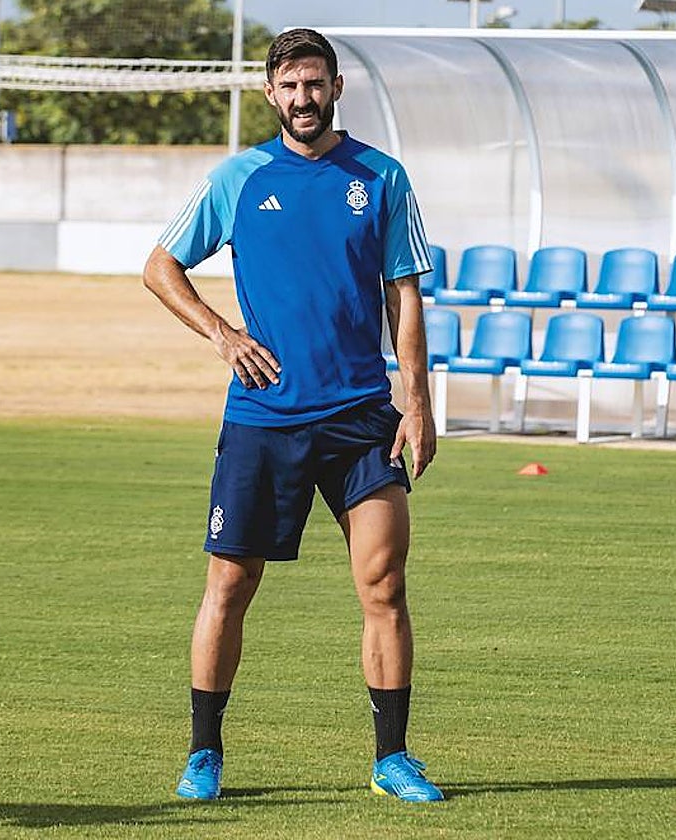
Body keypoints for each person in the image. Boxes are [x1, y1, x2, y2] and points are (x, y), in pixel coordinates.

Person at [142, 27, 442, 804]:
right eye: (289, 86)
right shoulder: (239, 178)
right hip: (264, 417)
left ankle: (392, 759)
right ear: (270, 94)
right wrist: (221, 332)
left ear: (336, 88)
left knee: (384, 585)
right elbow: (160, 265)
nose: (302, 98)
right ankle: (204, 752)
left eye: (315, 84)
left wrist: (418, 403)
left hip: (360, 418)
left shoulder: (381, 177)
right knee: (230, 585)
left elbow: (404, 294)